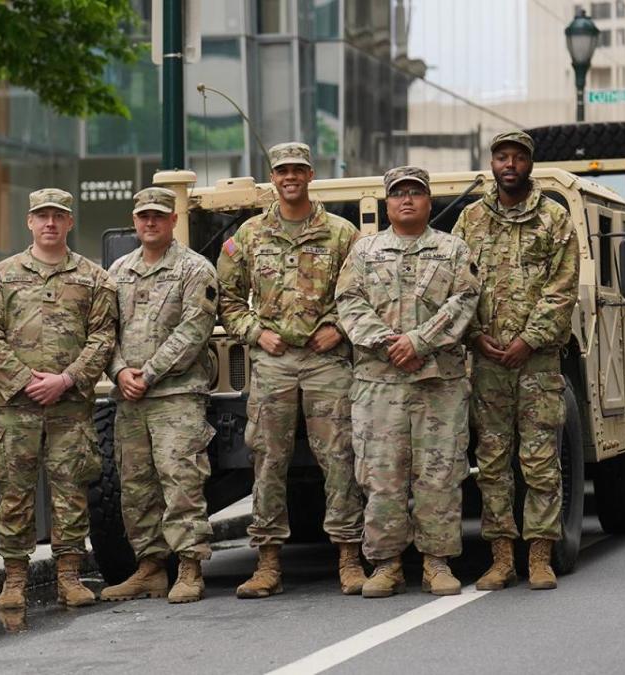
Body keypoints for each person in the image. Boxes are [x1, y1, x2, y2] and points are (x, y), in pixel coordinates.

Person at [216, 141, 367, 598]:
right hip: (274, 364)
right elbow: (226, 298)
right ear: (272, 176)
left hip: (326, 363)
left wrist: (339, 328)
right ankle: (266, 562)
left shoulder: (342, 234)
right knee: (267, 461)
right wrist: (255, 333)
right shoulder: (249, 235)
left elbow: (362, 292)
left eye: (298, 169)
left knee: (340, 458)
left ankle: (348, 555)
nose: (290, 177)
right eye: (282, 170)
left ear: (310, 174)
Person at [335, 166, 479, 598]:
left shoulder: (453, 250)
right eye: (399, 194)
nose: (407, 200)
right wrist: (387, 343)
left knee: (439, 474)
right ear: (387, 203)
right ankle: (386, 564)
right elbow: (348, 301)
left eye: (416, 193)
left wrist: (419, 341)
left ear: (428, 201)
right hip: (378, 384)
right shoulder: (365, 252)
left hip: (439, 383)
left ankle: (437, 563)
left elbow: (466, 299)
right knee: (381, 475)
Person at [451, 130, 580, 591]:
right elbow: (455, 286)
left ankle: (540, 555)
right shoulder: (470, 221)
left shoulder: (553, 219)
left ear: (530, 164)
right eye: (502, 157)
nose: (509, 165)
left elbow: (562, 288)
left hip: (537, 363)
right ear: (492, 163)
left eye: (518, 158)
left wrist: (529, 339)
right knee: (491, 462)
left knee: (541, 460)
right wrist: (474, 336)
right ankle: (501, 557)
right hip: (486, 363)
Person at [0, 188, 117, 609]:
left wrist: (66, 379)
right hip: (16, 409)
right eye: (42, 216)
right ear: (30, 222)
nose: (50, 223)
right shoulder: (1, 277)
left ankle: (70, 577)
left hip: (69, 407)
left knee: (71, 493)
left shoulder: (95, 279)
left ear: (70, 222)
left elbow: (103, 337)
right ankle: (14, 580)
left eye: (58, 216)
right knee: (14, 495)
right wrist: (23, 381)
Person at [98, 187, 218, 604]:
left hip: (176, 396)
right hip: (130, 398)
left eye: (158, 216)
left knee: (181, 479)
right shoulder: (118, 270)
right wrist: (118, 371)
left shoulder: (194, 269)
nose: (150, 223)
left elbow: (192, 332)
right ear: (134, 220)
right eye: (143, 216)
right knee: (136, 486)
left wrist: (146, 375)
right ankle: (149, 569)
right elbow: (103, 331)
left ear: (171, 221)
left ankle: (189, 567)